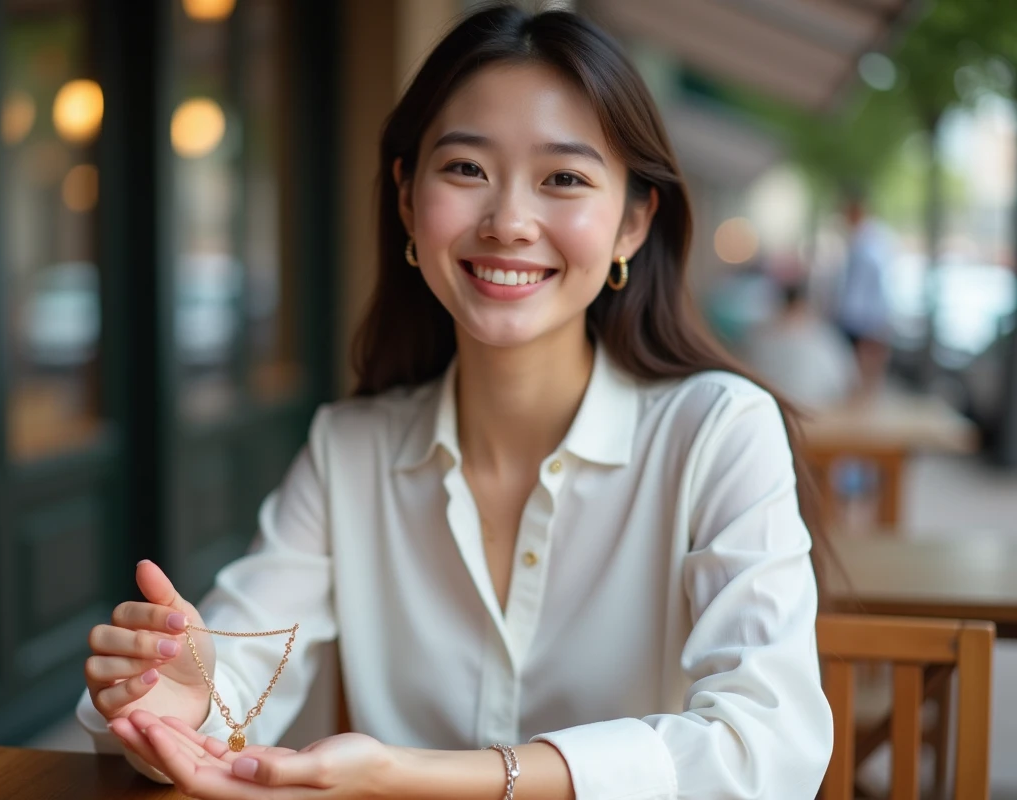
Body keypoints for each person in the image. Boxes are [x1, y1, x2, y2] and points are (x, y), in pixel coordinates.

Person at [77, 6, 834, 798]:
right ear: (407, 199)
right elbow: (236, 675)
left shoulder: (718, 431)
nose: (508, 221)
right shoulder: (351, 449)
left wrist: (412, 777)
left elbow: (767, 746)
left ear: (633, 224)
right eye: (466, 168)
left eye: (564, 179)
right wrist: (179, 703)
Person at [742, 277, 858, 411]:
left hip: (771, 410)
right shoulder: (824, 337)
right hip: (818, 415)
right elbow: (847, 382)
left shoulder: (757, 336)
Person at [835, 192, 893, 398]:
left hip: (865, 316)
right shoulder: (862, 239)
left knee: (865, 371)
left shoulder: (870, 240)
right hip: (858, 315)